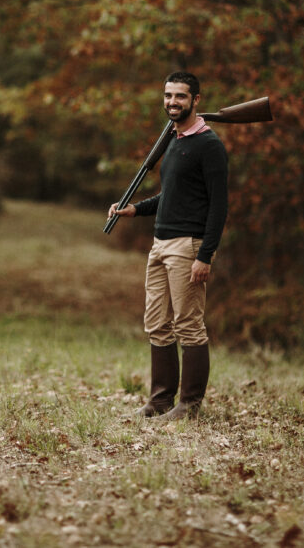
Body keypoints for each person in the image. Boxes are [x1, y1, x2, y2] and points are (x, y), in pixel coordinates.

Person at [109, 71, 228, 422]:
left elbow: (219, 206)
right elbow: (172, 195)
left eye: (180, 96)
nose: (172, 102)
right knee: (158, 324)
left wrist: (205, 255)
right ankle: (160, 401)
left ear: (196, 100)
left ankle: (189, 407)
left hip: (188, 246)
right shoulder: (174, 139)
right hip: (160, 244)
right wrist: (135, 209)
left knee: (189, 324)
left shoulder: (209, 145)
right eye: (168, 95)